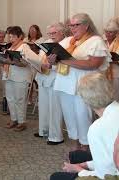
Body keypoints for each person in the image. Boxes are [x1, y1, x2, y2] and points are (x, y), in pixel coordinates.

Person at [49, 13, 111, 151]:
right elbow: (55, 61)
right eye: (71, 25)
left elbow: (93, 64)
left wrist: (64, 60)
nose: (72, 28)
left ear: (86, 25)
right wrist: (52, 60)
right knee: (69, 116)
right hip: (64, 84)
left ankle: (86, 147)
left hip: (83, 85)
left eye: (76, 25)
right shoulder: (68, 41)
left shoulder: (95, 41)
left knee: (83, 116)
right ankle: (75, 145)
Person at [50, 72, 119, 180]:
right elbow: (108, 159)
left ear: (85, 100)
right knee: (76, 155)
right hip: (112, 165)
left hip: (111, 174)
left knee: (55, 177)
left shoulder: (97, 129)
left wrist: (78, 170)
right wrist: (85, 165)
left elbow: (105, 175)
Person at [34, 22, 68, 145]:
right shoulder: (46, 43)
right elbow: (40, 58)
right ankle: (44, 130)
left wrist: (52, 65)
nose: (51, 35)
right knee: (43, 106)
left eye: (54, 33)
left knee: (55, 108)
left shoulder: (66, 43)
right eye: (50, 33)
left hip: (56, 79)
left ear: (62, 32)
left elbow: (66, 63)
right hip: (43, 77)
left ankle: (56, 136)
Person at [4, 26, 40, 131]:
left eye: (13, 37)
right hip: (9, 75)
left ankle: (21, 122)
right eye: (10, 37)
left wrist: (12, 62)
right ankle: (13, 119)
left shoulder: (24, 47)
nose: (11, 39)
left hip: (21, 77)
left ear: (20, 36)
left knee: (20, 100)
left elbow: (27, 63)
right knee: (10, 98)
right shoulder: (10, 48)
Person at [104, 18, 119, 101]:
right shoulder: (102, 42)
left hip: (115, 72)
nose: (107, 34)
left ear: (116, 33)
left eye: (110, 32)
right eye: (106, 31)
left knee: (115, 96)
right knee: (105, 96)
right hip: (103, 71)